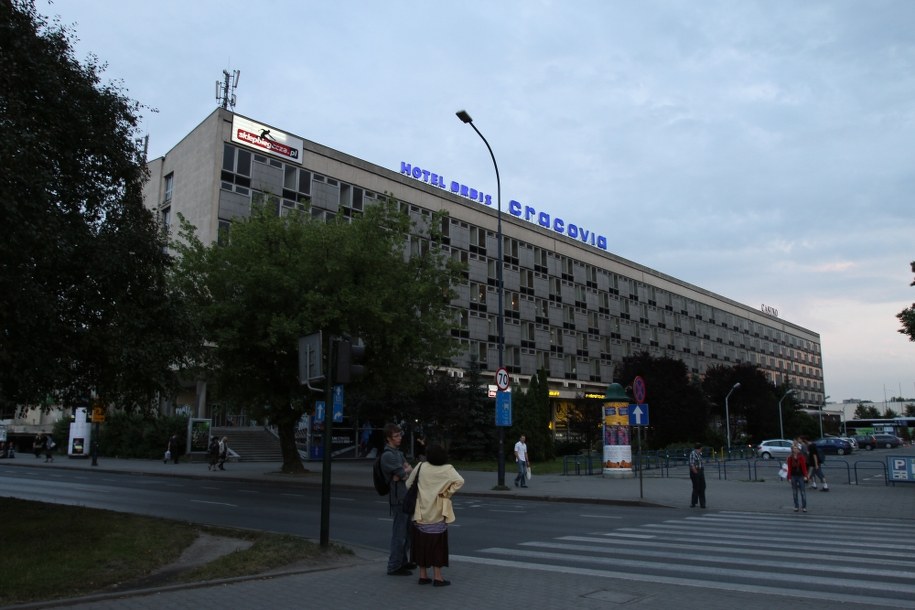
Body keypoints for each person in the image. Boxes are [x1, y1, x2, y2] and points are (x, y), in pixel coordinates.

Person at [405, 444, 464, 587]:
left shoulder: (420, 466)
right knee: (438, 544)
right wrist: (446, 493)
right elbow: (460, 481)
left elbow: (408, 484)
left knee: (420, 544)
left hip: (420, 512)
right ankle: (438, 577)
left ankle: (423, 576)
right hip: (438, 511)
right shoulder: (448, 469)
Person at [380, 422, 415, 576]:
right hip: (398, 499)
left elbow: (409, 471)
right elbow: (403, 473)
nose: (399, 438)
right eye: (396, 436)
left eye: (399, 435)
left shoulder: (398, 454)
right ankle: (393, 566)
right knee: (399, 534)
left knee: (408, 533)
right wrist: (402, 472)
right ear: (388, 439)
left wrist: (403, 472)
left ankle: (403, 561)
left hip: (406, 497)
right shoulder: (388, 455)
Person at [786, 444, 809, 513]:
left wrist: (805, 476)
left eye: (796, 448)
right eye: (794, 448)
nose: (795, 450)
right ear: (792, 449)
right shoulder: (790, 458)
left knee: (802, 492)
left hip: (801, 476)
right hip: (793, 476)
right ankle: (796, 506)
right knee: (794, 492)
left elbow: (804, 467)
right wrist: (789, 477)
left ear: (798, 450)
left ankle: (804, 507)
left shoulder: (801, 457)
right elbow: (789, 468)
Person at [689, 442, 706, 508]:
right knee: (696, 487)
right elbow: (692, 464)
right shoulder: (693, 454)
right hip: (695, 472)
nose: (702, 449)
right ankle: (693, 503)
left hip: (700, 471)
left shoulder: (699, 454)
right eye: (701, 448)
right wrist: (696, 473)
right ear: (700, 448)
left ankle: (702, 504)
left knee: (702, 487)